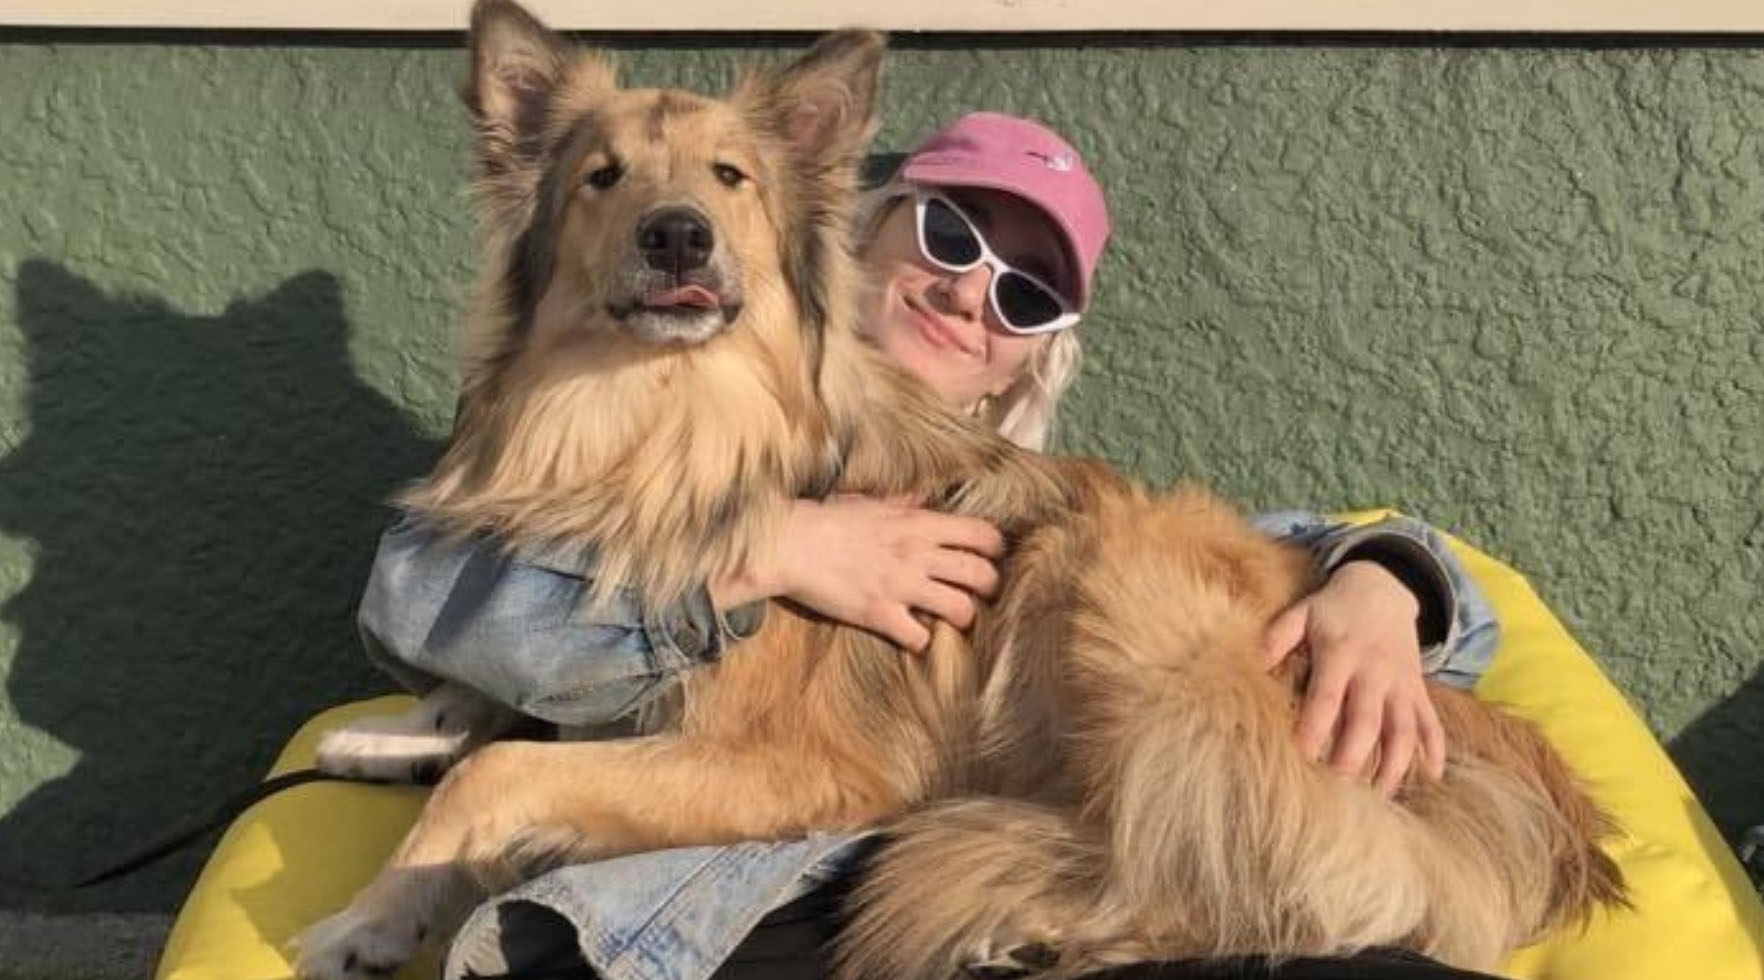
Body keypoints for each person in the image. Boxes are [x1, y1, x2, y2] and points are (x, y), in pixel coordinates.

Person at [356, 112, 1501, 980]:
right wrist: (766, 554)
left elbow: (1265, 563)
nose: (969, 293)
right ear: (849, 237)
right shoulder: (674, 413)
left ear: (1034, 358)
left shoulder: (1067, 519)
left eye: (1028, 294)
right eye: (950, 233)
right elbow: (419, 592)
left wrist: (1388, 578)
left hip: (1070, 852)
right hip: (758, 901)